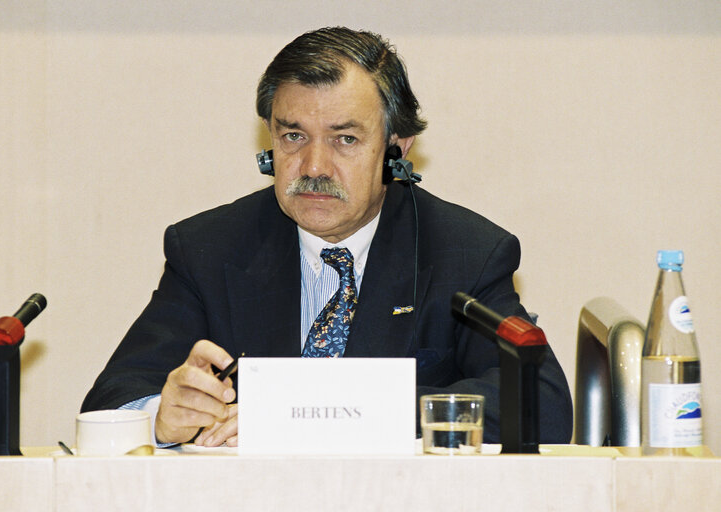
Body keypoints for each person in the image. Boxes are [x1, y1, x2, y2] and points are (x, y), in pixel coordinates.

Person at [81, 26, 573, 447]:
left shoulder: (465, 253)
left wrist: (318, 419)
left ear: (396, 150)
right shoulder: (210, 248)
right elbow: (110, 401)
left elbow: (540, 404)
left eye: (346, 139)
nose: (314, 167)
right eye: (294, 136)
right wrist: (161, 416)